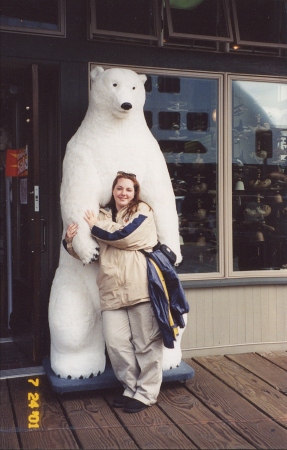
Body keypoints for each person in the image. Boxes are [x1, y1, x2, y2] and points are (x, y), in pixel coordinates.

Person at [64, 171, 164, 413]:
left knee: (146, 343)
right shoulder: (102, 214)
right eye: (119, 188)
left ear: (135, 192)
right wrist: (70, 242)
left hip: (140, 288)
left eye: (128, 189)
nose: (123, 193)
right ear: (113, 190)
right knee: (117, 345)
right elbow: (89, 253)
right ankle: (131, 388)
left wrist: (95, 225)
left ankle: (147, 394)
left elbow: (125, 236)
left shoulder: (143, 211)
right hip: (111, 290)